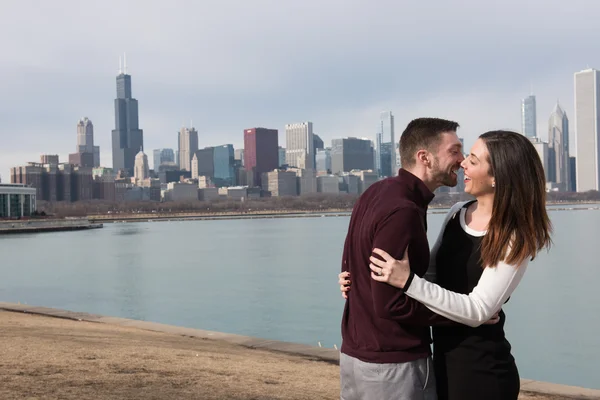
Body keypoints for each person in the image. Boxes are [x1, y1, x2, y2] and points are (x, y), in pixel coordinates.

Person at [341, 130, 552, 400]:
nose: (463, 162)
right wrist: (360, 280)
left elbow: (477, 310)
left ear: (498, 176)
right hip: (439, 360)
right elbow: (429, 275)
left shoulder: (514, 236)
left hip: (481, 371)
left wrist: (408, 282)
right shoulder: (457, 213)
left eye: (473, 160)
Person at [339, 117, 468, 400]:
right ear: (425, 157)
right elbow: (391, 304)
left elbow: (349, 264)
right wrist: (466, 316)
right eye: (454, 150)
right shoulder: (403, 210)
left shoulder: (375, 192)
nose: (462, 159)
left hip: (355, 360)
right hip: (392, 369)